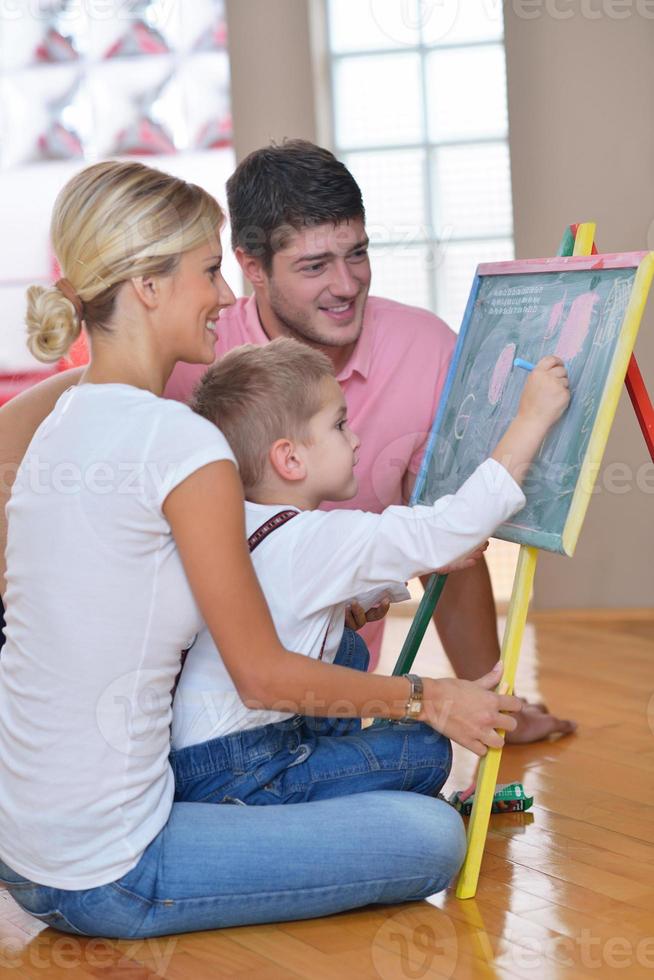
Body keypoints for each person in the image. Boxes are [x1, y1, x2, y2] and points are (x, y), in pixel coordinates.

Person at [0, 159, 526, 940]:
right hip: (112, 870)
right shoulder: (183, 443)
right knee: (431, 839)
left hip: (25, 852)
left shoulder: (59, 428)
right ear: (146, 285)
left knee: (407, 754)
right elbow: (261, 675)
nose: (222, 294)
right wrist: (431, 697)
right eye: (208, 271)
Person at [164, 139, 577, 744]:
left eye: (357, 253)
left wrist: (495, 705)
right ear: (251, 266)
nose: (345, 284)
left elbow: (453, 549)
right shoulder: (192, 363)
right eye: (314, 266)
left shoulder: (430, 349)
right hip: (210, 709)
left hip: (335, 688)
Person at [171, 338, 570, 808]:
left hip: (199, 762)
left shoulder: (243, 519)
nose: (356, 438)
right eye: (339, 425)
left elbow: (287, 597)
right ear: (290, 458)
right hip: (243, 773)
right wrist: (531, 419)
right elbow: (455, 527)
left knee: (349, 646)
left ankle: (322, 773)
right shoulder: (318, 537)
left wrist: (375, 591)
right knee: (422, 751)